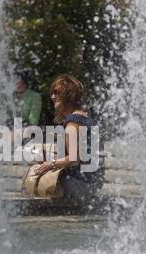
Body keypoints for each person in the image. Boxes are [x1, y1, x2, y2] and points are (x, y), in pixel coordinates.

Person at [34, 74, 103, 204]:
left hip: (80, 184)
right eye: (52, 93)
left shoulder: (73, 122)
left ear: (68, 96)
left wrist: (50, 164)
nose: (53, 97)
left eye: (57, 93)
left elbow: (73, 158)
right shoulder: (86, 117)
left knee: (36, 179)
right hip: (92, 183)